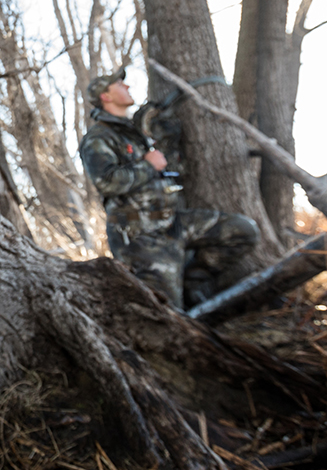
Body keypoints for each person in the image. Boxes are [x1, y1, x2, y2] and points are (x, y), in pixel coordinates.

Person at [79, 67, 260, 309]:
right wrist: (148, 166)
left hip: (173, 223)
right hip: (141, 236)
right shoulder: (98, 137)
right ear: (106, 97)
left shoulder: (136, 133)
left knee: (243, 231)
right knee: (169, 313)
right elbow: (107, 182)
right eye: (120, 85)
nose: (128, 87)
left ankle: (193, 282)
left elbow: (168, 170)